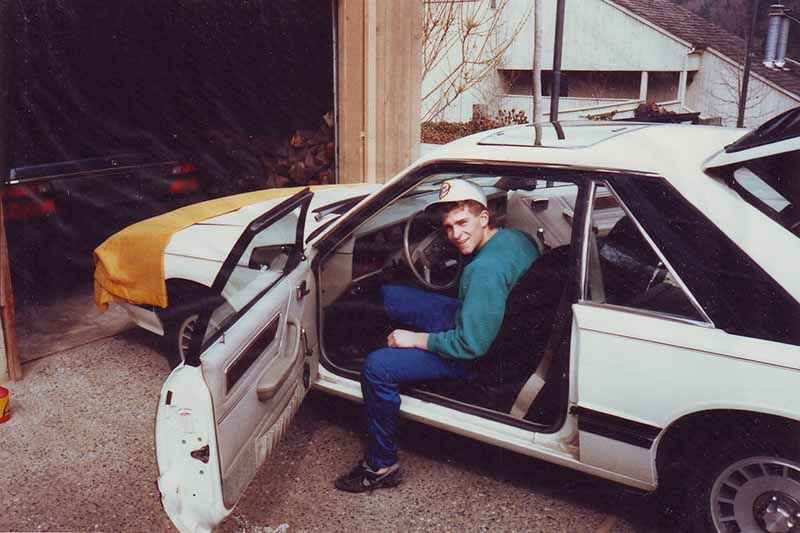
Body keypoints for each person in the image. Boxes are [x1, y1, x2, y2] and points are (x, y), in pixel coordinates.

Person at [334, 178, 540, 493]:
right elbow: (479, 304)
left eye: (463, 223)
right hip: (487, 323)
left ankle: (380, 466)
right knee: (389, 294)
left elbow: (470, 345)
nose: (456, 235)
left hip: (479, 356)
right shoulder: (516, 238)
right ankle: (379, 350)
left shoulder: (483, 272)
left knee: (377, 367)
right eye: (447, 227)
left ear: (483, 217)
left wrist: (413, 338)